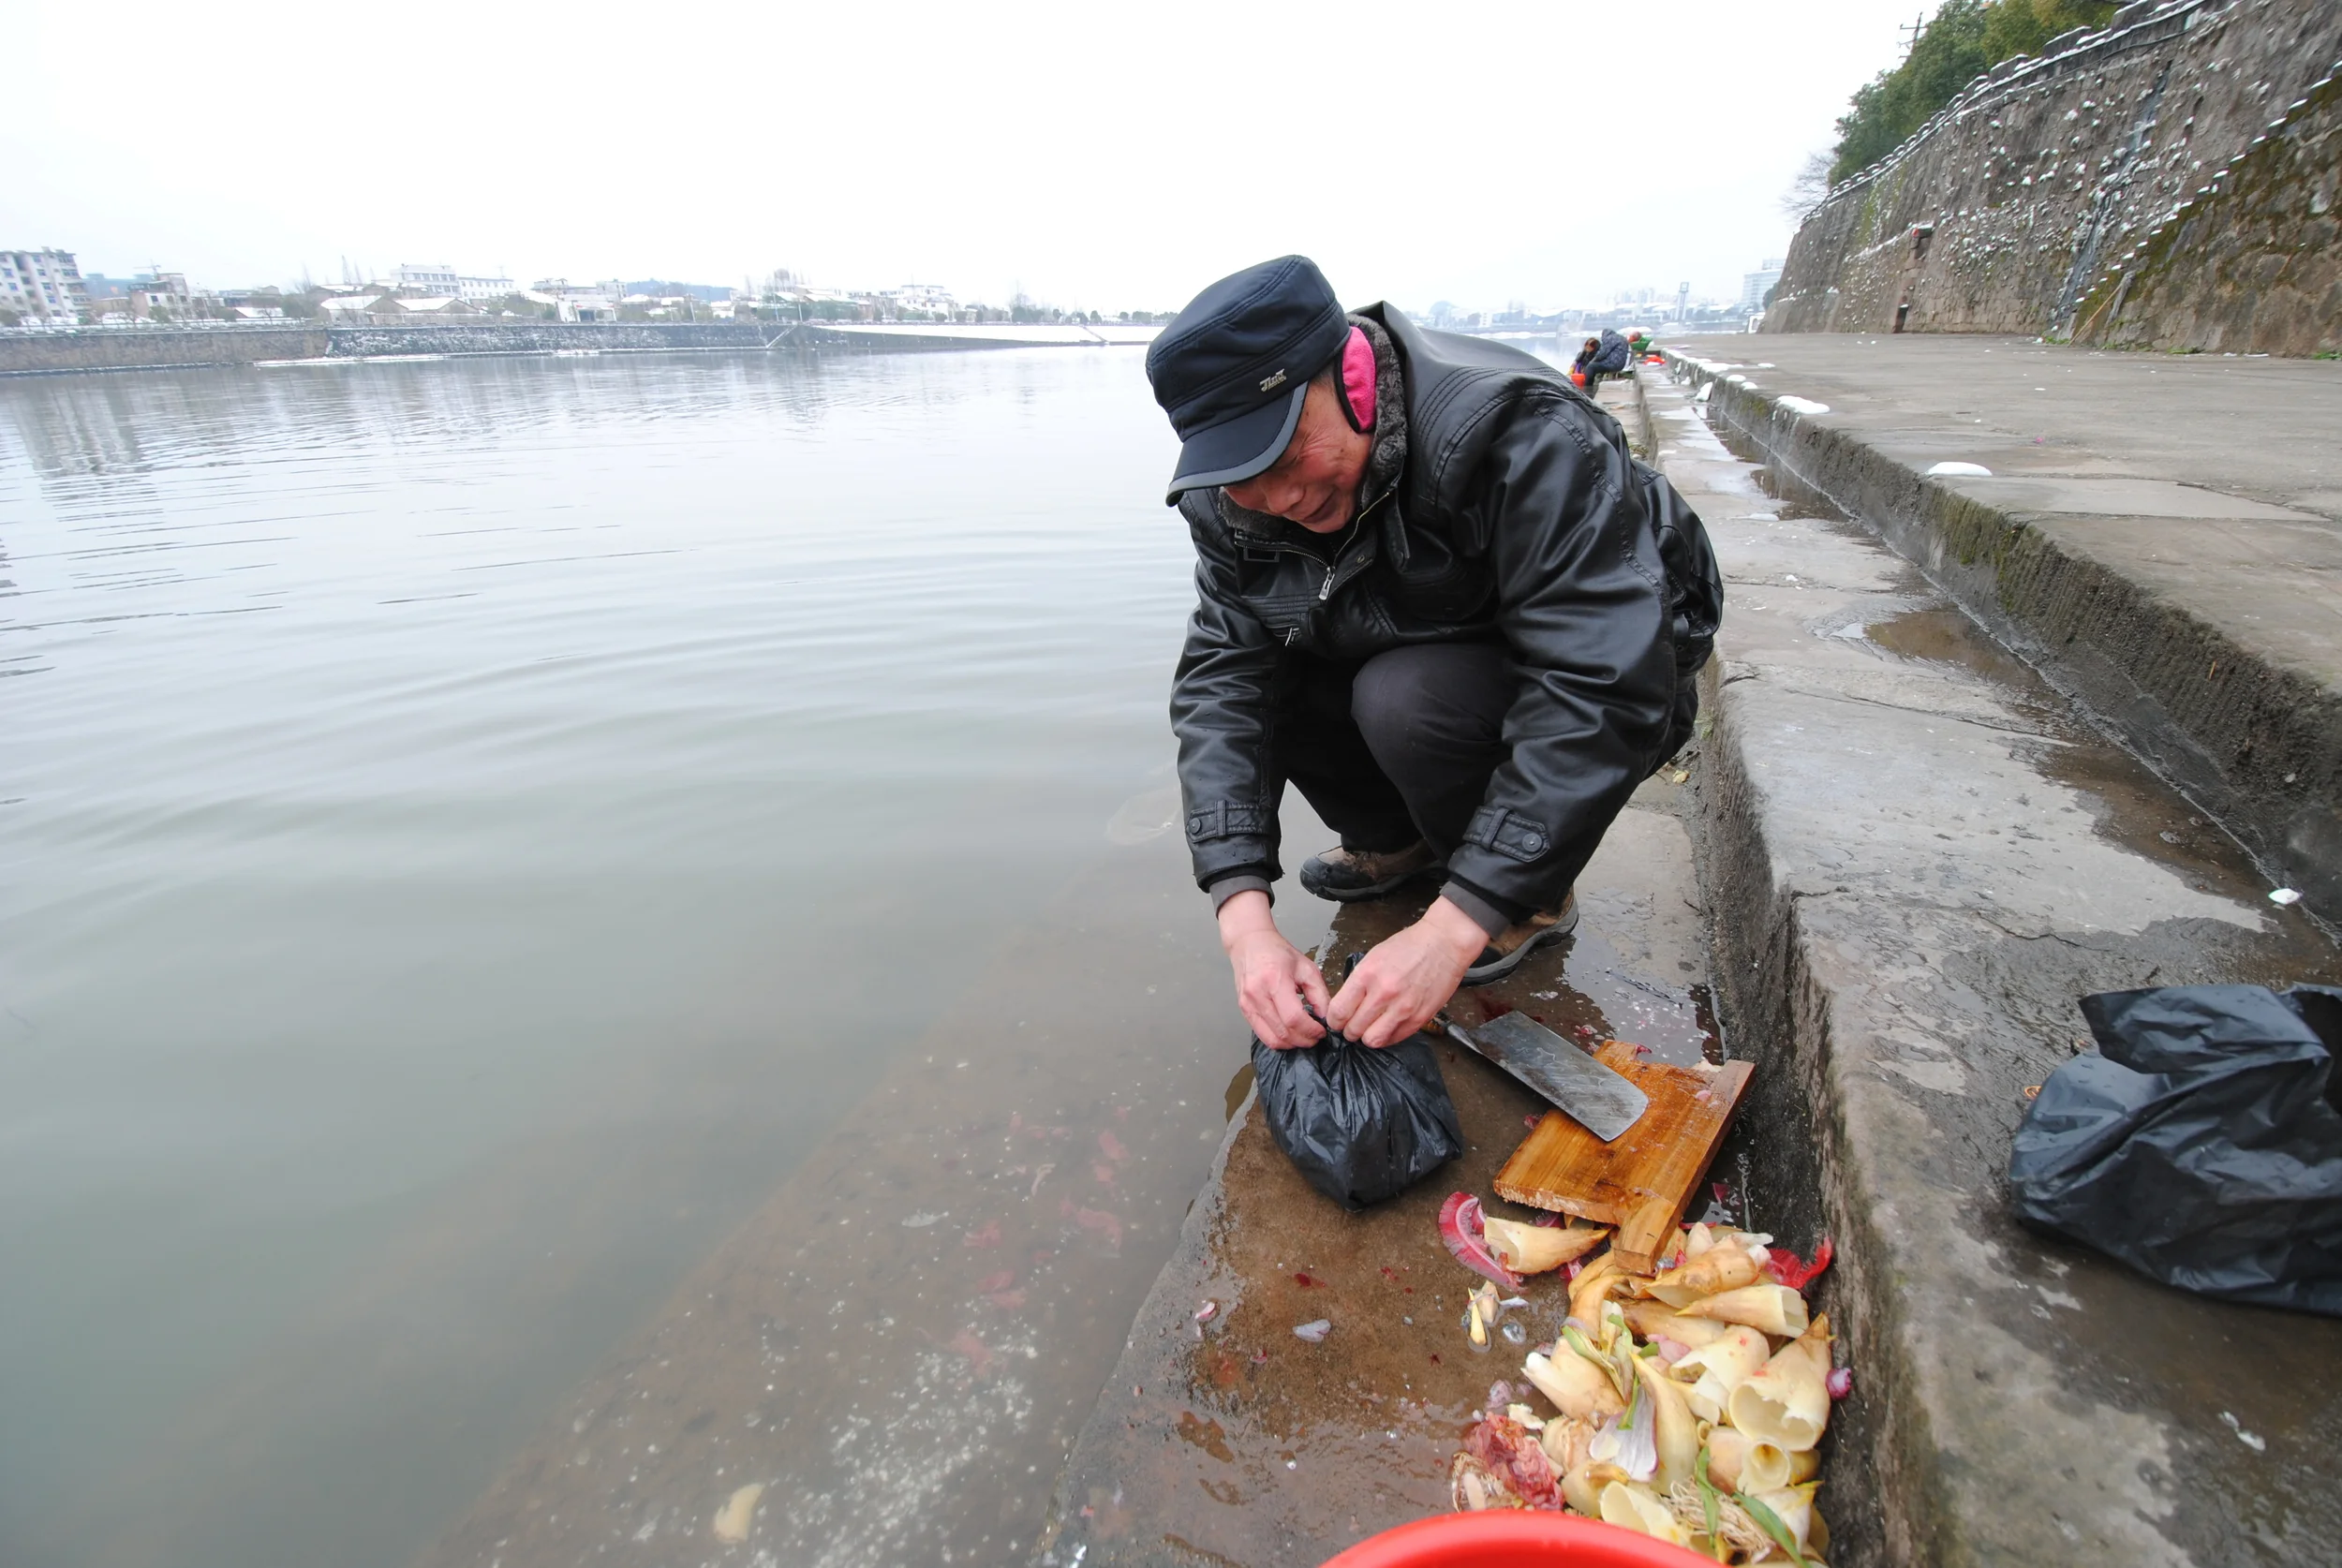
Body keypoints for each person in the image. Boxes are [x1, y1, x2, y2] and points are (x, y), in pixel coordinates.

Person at [1144, 257, 1721, 1053]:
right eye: (1244, 478)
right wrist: (1243, 919)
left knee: (1403, 697)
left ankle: (1528, 898)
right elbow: (1222, 684)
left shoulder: (1518, 434)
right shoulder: (1230, 509)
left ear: (1352, 376)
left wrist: (1456, 926)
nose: (1279, 500)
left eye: (1286, 458)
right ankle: (1403, 841)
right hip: (1431, 627)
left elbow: (1600, 679)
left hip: (1628, 665)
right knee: (1279, 661)